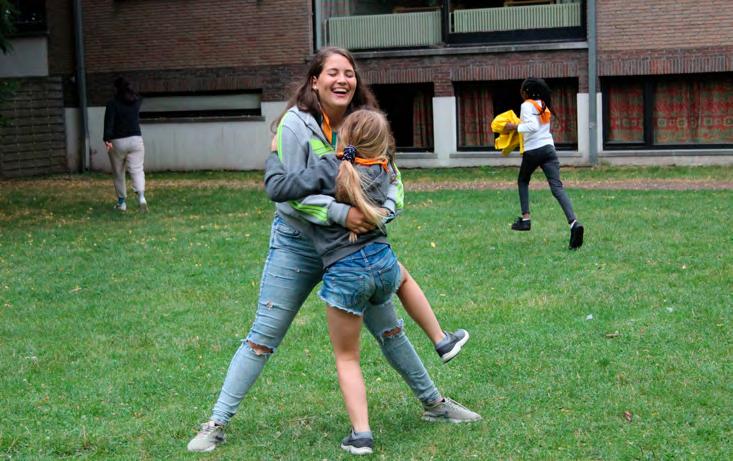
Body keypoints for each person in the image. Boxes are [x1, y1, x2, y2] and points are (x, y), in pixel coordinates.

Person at [187, 47, 480, 454]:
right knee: (263, 336)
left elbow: (392, 176)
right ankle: (217, 422)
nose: (343, 80)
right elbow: (286, 196)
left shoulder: (364, 121)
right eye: (333, 73)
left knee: (390, 329)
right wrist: (341, 213)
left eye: (349, 73)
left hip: (353, 250)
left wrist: (382, 213)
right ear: (314, 80)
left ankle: (435, 404)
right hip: (298, 244)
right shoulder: (295, 124)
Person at [502, 77, 584, 249]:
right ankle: (574, 223)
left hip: (534, 151)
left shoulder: (526, 105)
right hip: (549, 149)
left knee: (523, 180)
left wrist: (514, 127)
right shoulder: (543, 104)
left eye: (522, 90)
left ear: (526, 92)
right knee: (557, 188)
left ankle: (526, 219)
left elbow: (531, 126)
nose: (520, 92)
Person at [103, 77, 148, 212]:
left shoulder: (112, 103)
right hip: (136, 139)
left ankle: (122, 203)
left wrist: (107, 139)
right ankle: (141, 197)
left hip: (118, 141)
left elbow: (109, 122)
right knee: (137, 169)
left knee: (118, 172)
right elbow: (139, 97)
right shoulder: (136, 102)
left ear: (116, 89)